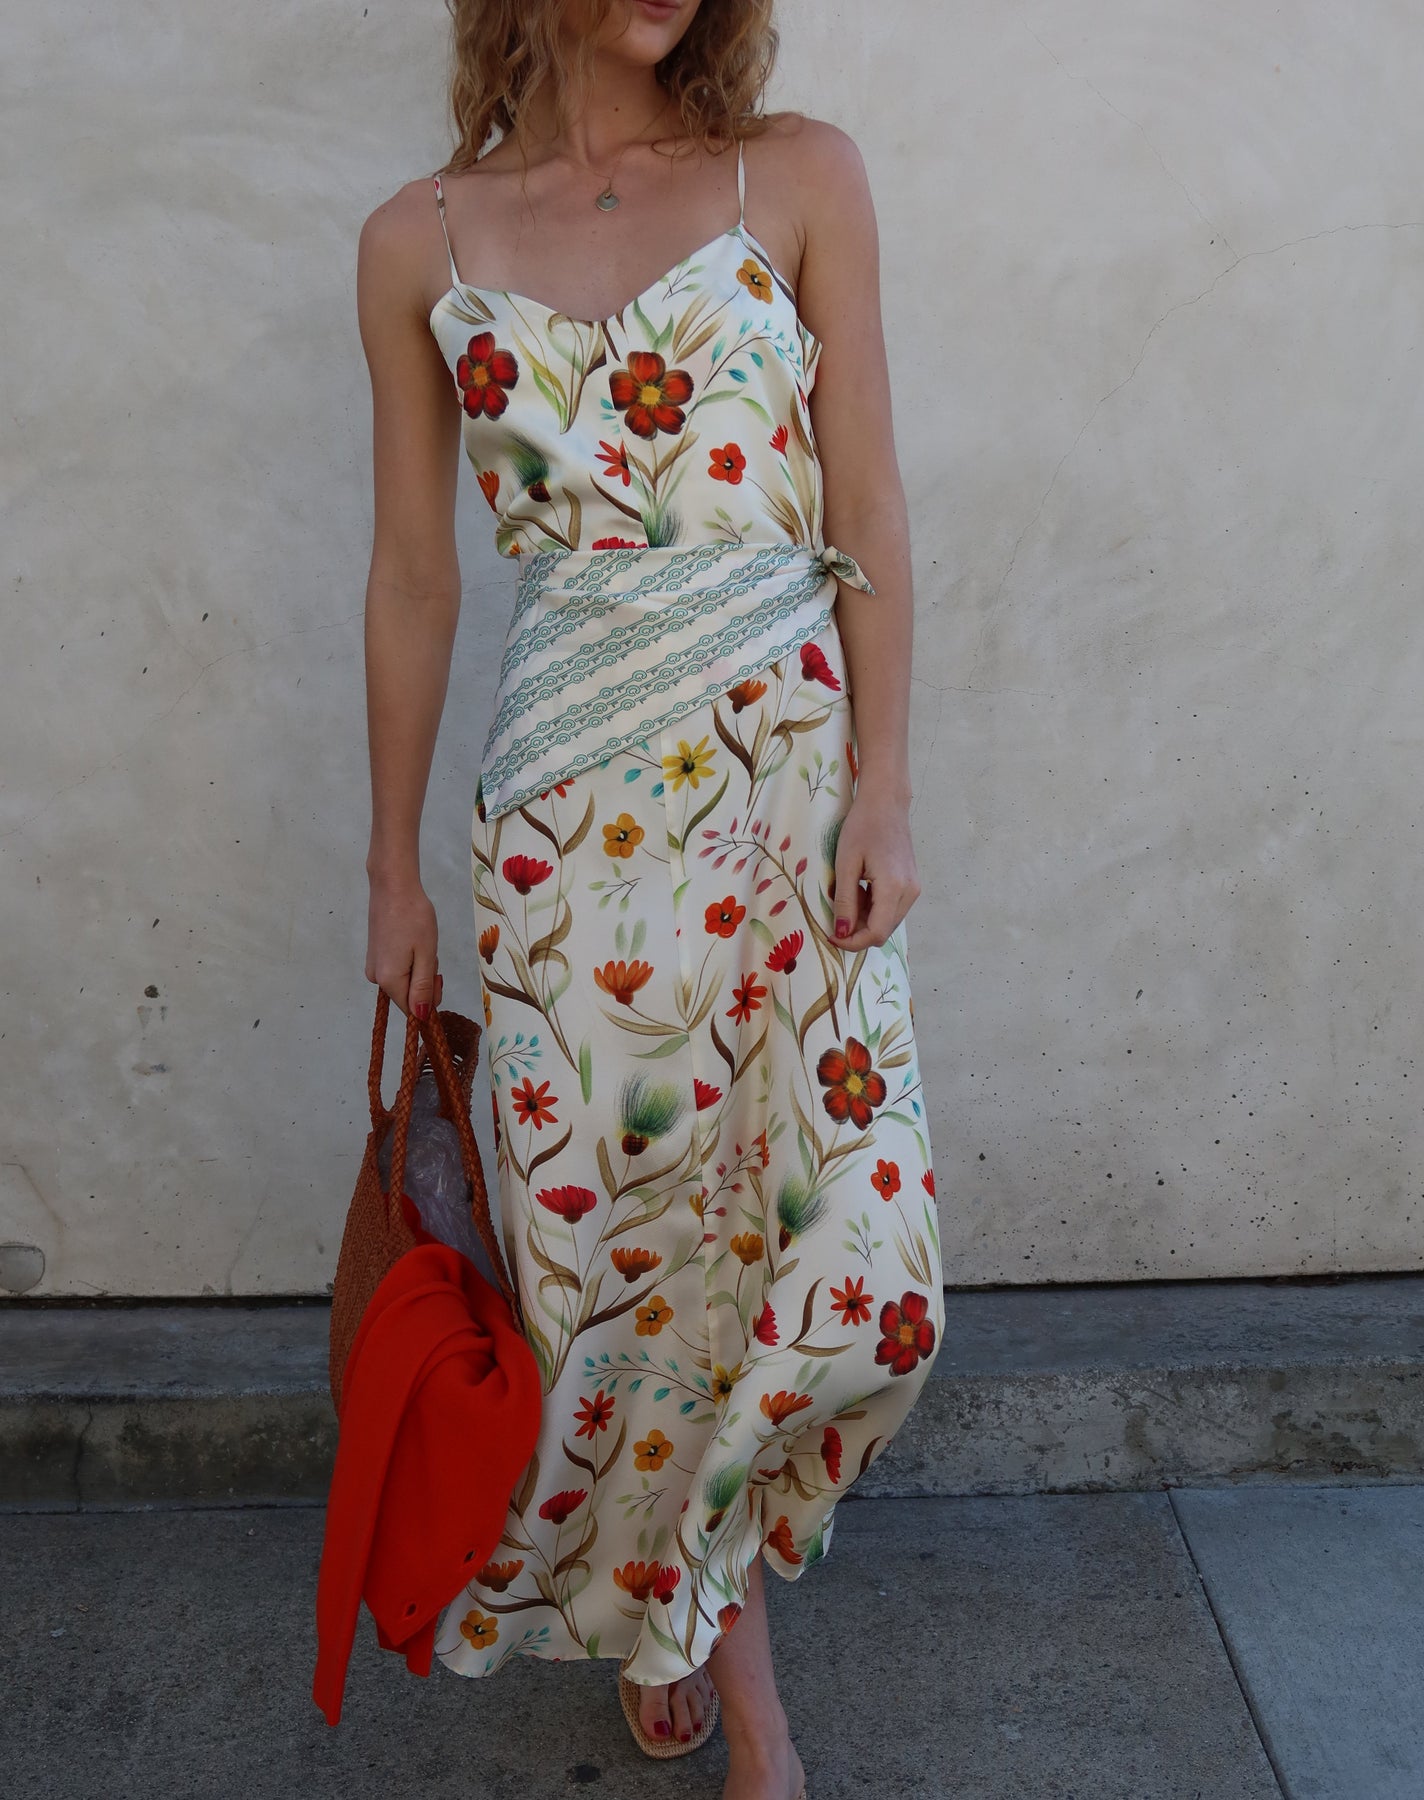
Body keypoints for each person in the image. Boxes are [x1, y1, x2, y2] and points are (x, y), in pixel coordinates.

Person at [357, 4, 945, 1796]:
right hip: (571, 851)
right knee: (646, 1287)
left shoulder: (801, 178)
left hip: (788, 803)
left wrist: (887, 782)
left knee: (865, 1278)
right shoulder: (419, 242)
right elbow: (413, 581)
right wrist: (390, 864)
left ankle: (685, 1586)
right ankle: (737, 1684)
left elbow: (869, 500)